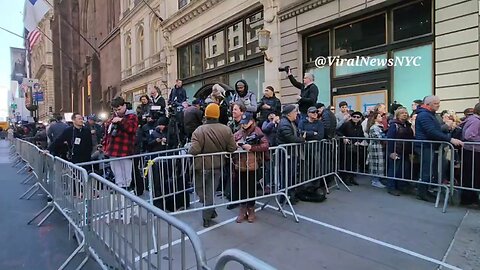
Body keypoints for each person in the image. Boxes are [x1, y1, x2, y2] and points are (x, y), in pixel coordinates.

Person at [188, 103, 237, 228]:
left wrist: (188, 147)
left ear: (206, 115)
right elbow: (232, 148)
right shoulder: (226, 129)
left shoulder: (199, 130)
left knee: (202, 192)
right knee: (209, 192)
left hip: (201, 166)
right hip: (216, 165)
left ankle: (206, 217)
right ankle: (210, 211)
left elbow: (194, 150)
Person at [415, 95, 463, 202]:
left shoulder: (429, 114)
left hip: (429, 146)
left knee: (429, 170)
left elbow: (435, 130)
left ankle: (425, 191)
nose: (438, 105)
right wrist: (450, 140)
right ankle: (422, 192)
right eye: (436, 103)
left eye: (438, 103)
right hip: (425, 146)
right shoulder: (424, 115)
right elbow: (432, 132)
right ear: (428, 104)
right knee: (426, 170)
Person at [233, 112, 269, 223]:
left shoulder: (257, 131)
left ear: (251, 121)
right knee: (242, 188)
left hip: (252, 165)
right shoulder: (239, 132)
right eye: (242, 123)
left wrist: (251, 147)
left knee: (251, 188)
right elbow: (231, 142)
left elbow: (265, 145)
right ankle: (243, 210)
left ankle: (251, 210)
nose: (243, 125)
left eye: (245, 123)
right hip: (240, 164)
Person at [103, 97, 139, 189]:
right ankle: (120, 190)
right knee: (117, 176)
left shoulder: (132, 116)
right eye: (115, 110)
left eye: (119, 109)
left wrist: (121, 121)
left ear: (124, 105)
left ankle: (127, 191)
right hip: (113, 150)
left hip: (125, 150)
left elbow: (132, 129)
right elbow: (108, 134)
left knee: (127, 175)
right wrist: (105, 146)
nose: (117, 111)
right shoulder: (113, 117)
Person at [277, 104, 305, 204]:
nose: (297, 114)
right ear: (289, 113)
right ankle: (285, 197)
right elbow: (290, 138)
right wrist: (302, 139)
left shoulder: (290, 122)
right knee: (286, 175)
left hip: (290, 153)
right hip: (286, 154)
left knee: (290, 175)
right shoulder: (285, 123)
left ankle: (290, 195)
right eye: (295, 112)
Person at [386, 107, 415, 196]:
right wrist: (391, 152)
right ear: (398, 115)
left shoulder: (408, 125)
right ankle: (391, 187)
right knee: (394, 170)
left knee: (404, 170)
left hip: (405, 151)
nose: (405, 114)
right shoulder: (394, 125)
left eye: (406, 113)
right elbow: (390, 139)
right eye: (402, 113)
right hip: (397, 150)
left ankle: (401, 186)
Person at [337, 111, 365, 185]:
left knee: (354, 163)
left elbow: (362, 135)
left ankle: (352, 178)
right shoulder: (346, 124)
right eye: (354, 116)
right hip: (346, 147)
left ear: (360, 118)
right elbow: (338, 131)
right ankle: (345, 179)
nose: (355, 118)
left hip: (355, 147)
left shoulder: (360, 126)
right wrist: (344, 137)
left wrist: (359, 141)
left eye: (358, 117)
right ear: (351, 117)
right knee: (346, 163)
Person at [460, 103, 480, 206]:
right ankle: (468, 198)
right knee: (472, 176)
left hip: (471, 151)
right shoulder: (476, 121)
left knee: (471, 176)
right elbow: (469, 135)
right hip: (473, 151)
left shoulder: (473, 119)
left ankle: (470, 198)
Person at [367, 111, 387, 189]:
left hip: (380, 148)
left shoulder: (380, 126)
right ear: (375, 119)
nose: (381, 117)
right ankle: (375, 180)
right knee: (376, 164)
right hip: (375, 148)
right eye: (379, 116)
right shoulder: (374, 127)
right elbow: (378, 137)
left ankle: (378, 179)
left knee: (380, 164)